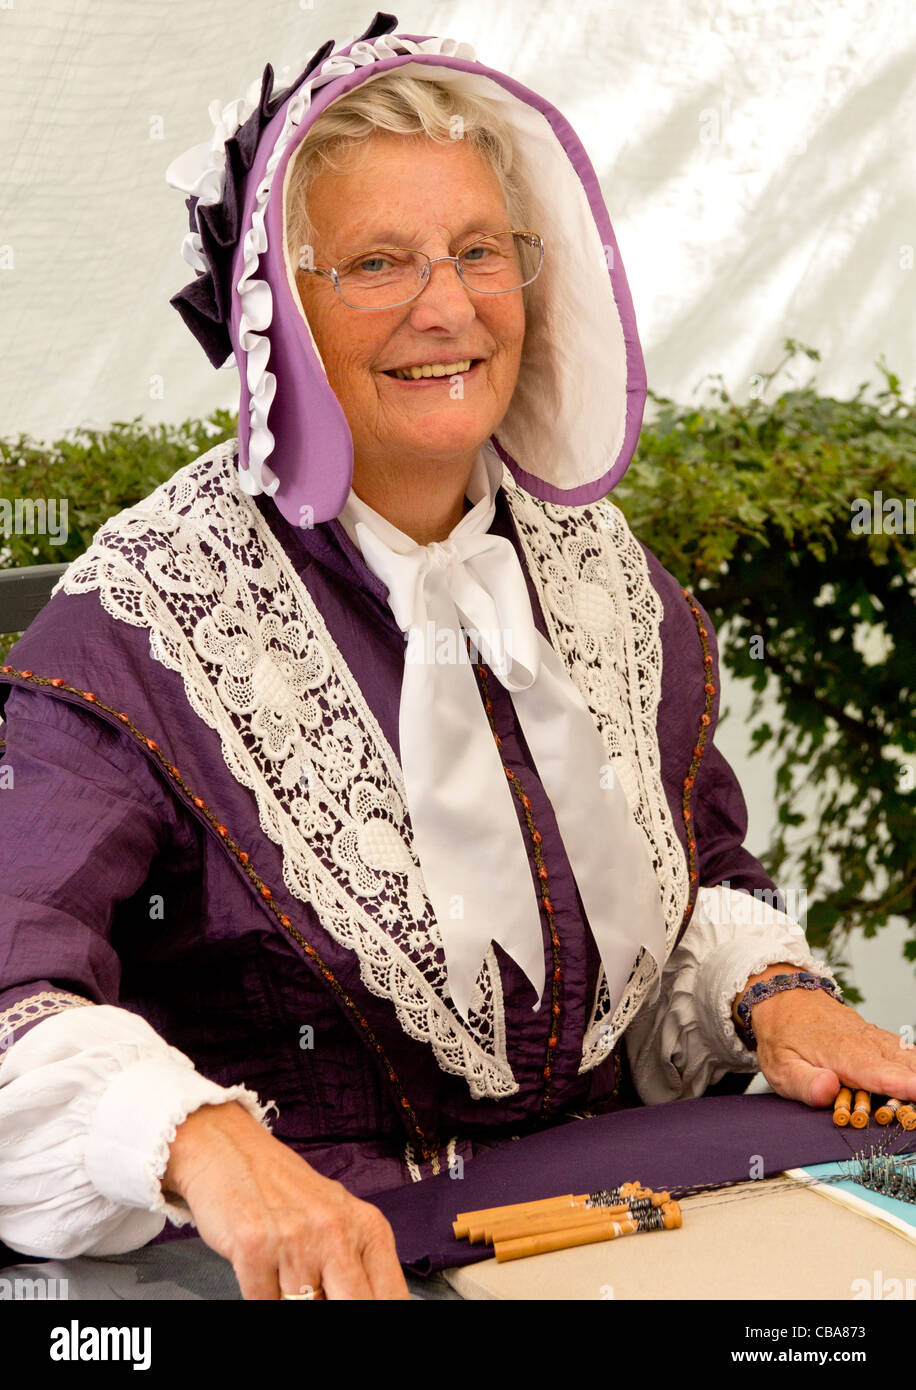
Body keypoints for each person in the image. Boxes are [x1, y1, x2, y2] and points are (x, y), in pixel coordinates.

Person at [1, 13, 913, 1301]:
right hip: (343, 1266)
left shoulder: (600, 573)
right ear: (278, 310)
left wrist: (773, 1000)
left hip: (642, 1219)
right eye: (378, 261)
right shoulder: (147, 629)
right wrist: (198, 1141)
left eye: (480, 251)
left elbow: (687, 868)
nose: (448, 306)